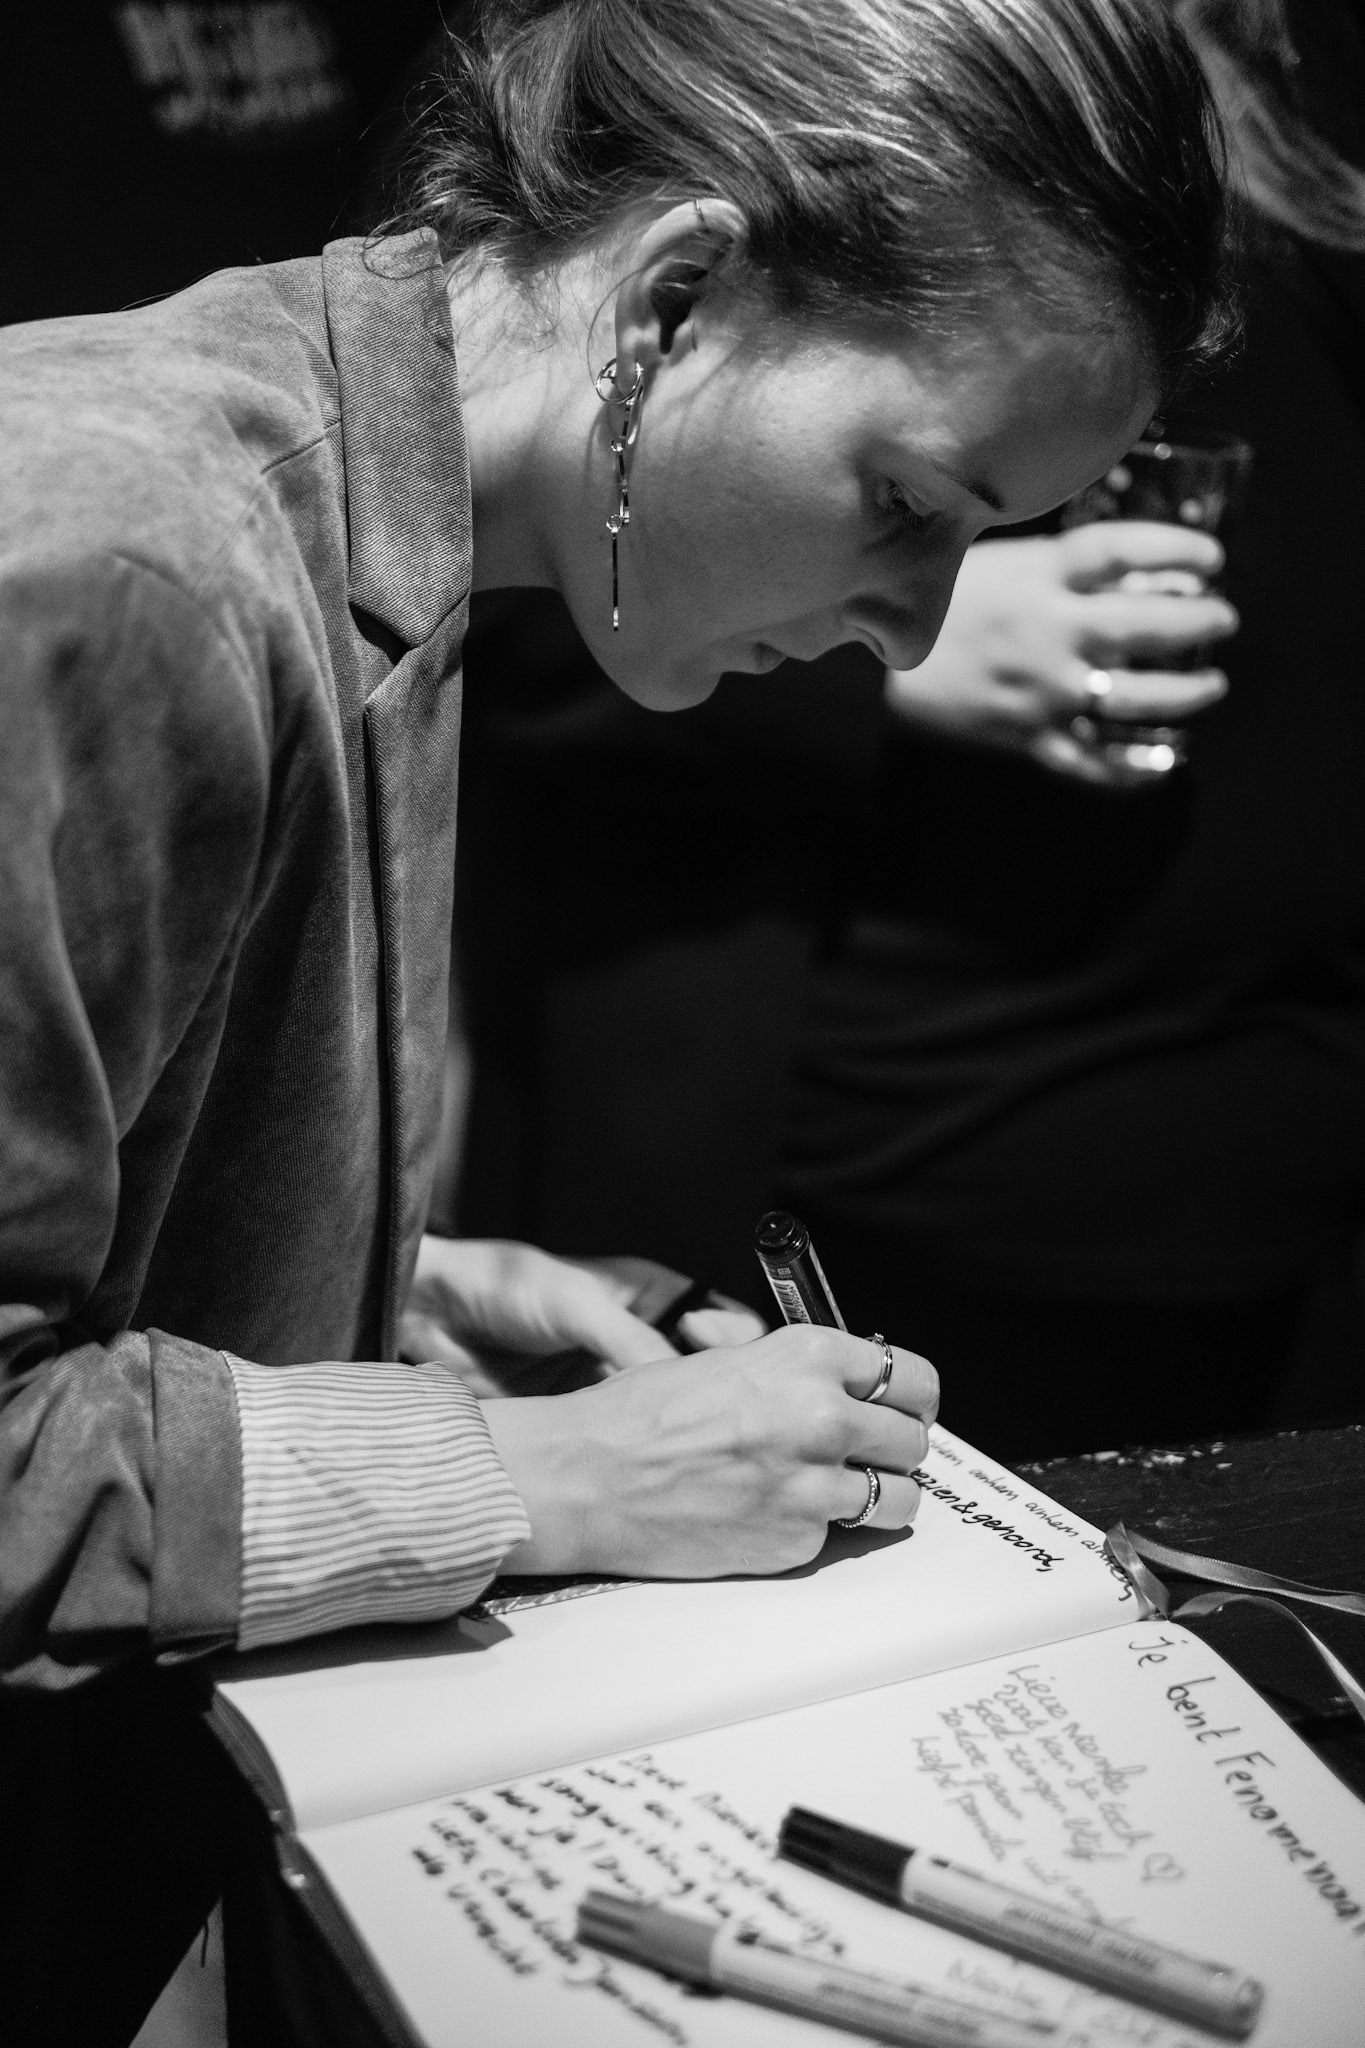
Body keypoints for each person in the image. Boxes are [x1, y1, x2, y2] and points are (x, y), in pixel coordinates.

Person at [0, 0, 1229, 2037]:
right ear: (672, 301)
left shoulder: (364, 525)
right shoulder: (130, 564)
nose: (912, 629)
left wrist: (378, 1288)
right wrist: (542, 1474)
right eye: (907, 502)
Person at [454, 0, 1365, 1466]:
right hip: (846, 1149)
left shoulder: (1305, 118)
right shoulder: (797, 88)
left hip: (1241, 1175)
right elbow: (527, 548)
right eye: (905, 507)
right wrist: (510, 1476)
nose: (916, 621)